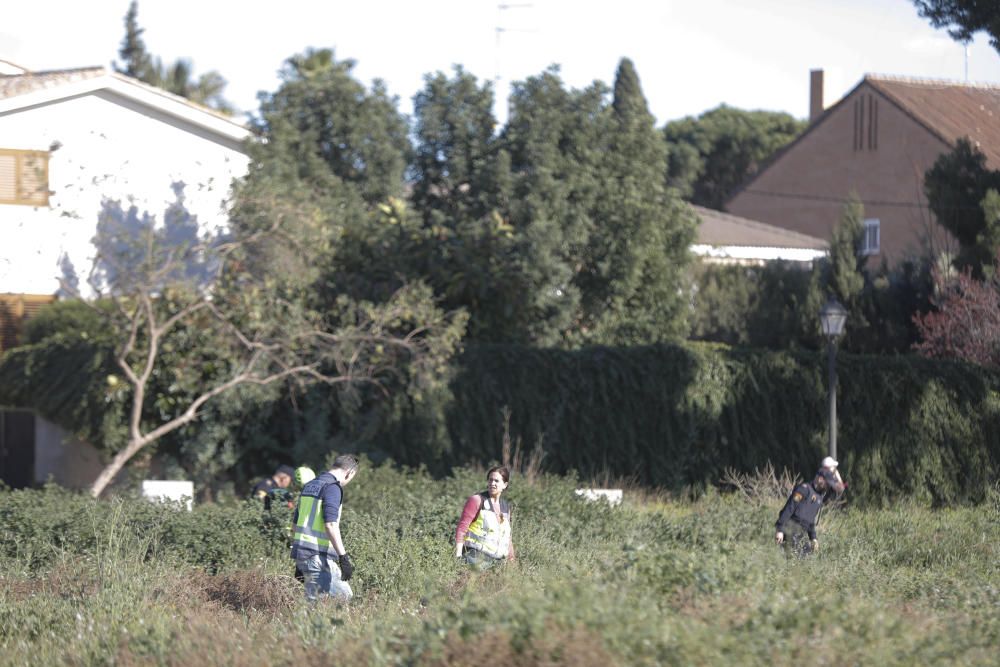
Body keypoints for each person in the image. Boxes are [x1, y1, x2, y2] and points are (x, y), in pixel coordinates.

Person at [289, 454, 359, 601]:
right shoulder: (332, 488)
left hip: (309, 556)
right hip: (317, 557)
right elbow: (331, 525)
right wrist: (343, 557)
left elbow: (295, 526)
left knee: (344, 595)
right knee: (315, 606)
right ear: (349, 473)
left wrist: (300, 561)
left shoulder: (310, 486)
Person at [774, 457, 846, 555]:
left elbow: (810, 521)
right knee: (798, 558)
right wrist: (780, 530)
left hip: (800, 534)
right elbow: (789, 508)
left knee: (808, 555)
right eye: (827, 484)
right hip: (789, 531)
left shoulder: (819, 497)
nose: (828, 487)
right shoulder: (804, 489)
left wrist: (813, 538)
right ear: (820, 479)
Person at [454, 465, 515, 569]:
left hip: (498, 562)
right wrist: (458, 556)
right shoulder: (477, 500)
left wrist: (512, 561)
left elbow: (507, 538)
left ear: (505, 485)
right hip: (475, 558)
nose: (492, 483)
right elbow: (462, 529)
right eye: (490, 480)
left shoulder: (506, 507)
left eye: (496, 481)